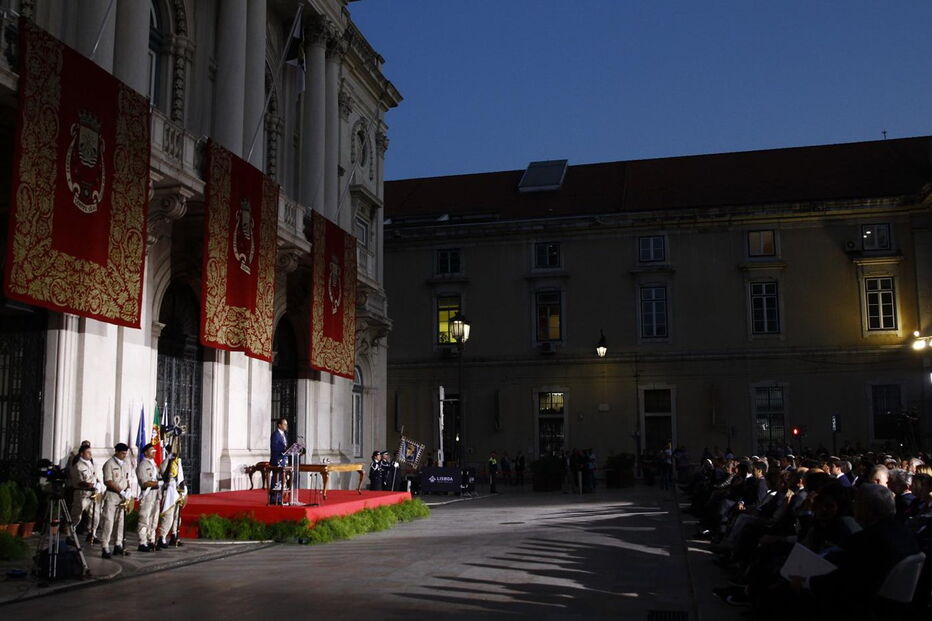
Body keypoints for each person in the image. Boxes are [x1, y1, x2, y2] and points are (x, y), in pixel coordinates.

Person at [100, 443, 132, 559]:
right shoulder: (109, 464)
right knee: (108, 521)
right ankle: (105, 546)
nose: (124, 455)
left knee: (120, 522)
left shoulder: (125, 464)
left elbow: (127, 479)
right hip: (112, 496)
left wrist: (128, 490)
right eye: (123, 453)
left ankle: (118, 544)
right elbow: (108, 481)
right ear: (117, 452)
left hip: (122, 497)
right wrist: (120, 491)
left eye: (126, 453)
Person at [157, 448, 186, 548]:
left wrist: (183, 489)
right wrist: (168, 460)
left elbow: (181, 477)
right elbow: (162, 472)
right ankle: (162, 537)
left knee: (177, 516)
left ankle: (174, 535)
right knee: (168, 516)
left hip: (177, 492)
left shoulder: (178, 462)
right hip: (169, 492)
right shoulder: (167, 461)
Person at [136, 443, 160, 552]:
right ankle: (142, 542)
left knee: (153, 519)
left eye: (154, 450)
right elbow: (144, 482)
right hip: (147, 494)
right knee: (144, 518)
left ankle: (151, 540)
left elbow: (158, 477)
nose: (154, 452)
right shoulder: (143, 465)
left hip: (155, 494)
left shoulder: (154, 465)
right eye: (152, 450)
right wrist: (157, 483)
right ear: (145, 453)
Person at [269, 417, 288, 505]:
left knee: (282, 480)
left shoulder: (284, 435)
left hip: (283, 460)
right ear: (279, 425)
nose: (286, 426)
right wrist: (284, 450)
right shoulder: (275, 435)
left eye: (286, 424)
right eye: (284, 424)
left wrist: (287, 450)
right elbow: (274, 448)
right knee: (276, 479)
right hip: (277, 460)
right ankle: (273, 498)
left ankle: (280, 498)